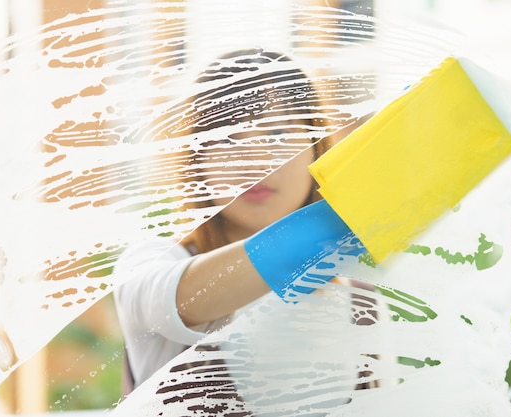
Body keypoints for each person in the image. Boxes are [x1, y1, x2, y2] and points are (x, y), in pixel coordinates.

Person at [113, 49, 369, 393]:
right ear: (196, 160)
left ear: (315, 146)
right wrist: (340, 219)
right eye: (228, 138)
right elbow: (180, 303)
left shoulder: (362, 298)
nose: (254, 158)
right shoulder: (149, 264)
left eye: (277, 133)